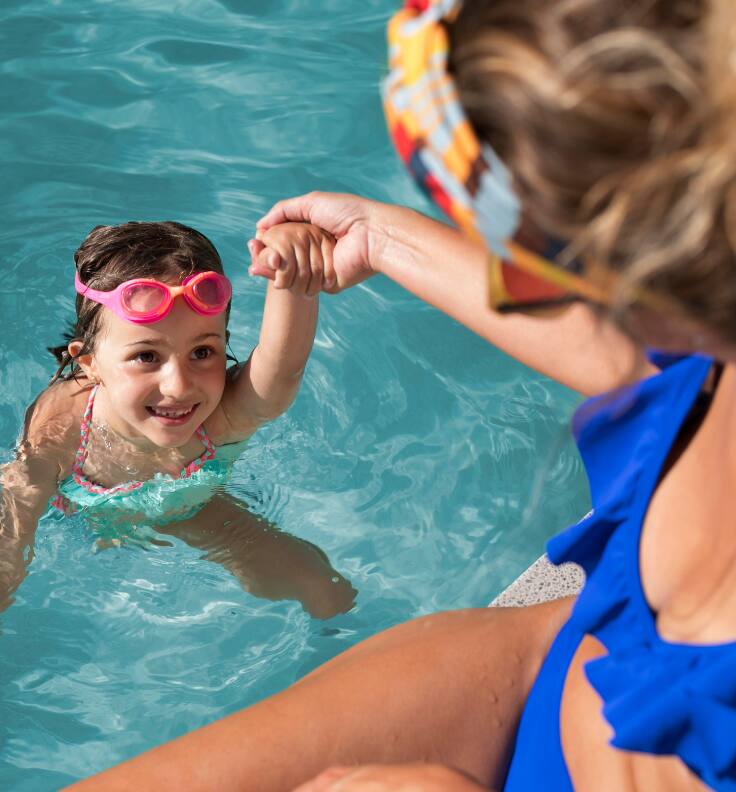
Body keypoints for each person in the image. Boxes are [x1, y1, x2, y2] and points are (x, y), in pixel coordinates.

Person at [73, 0, 736, 788]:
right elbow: (617, 343)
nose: (502, 272)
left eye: (495, 226)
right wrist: (383, 238)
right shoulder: (700, 366)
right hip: (550, 659)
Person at [0, 219, 356, 721]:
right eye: (146, 355)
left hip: (189, 507)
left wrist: (292, 279)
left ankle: (355, 673)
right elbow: (12, 547)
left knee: (321, 584)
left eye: (202, 352)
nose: (179, 385)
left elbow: (282, 367)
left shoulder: (226, 413)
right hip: (69, 507)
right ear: (89, 363)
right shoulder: (61, 429)